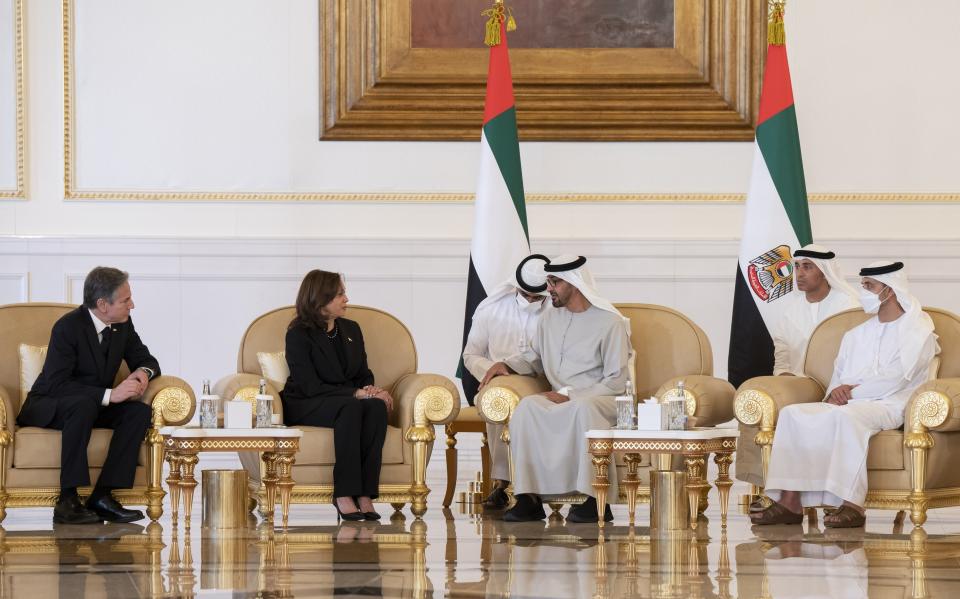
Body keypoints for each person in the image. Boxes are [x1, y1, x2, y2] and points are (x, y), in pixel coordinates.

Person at [751, 261, 939, 528]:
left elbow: (896, 378)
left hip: (891, 403)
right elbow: (840, 375)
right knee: (793, 414)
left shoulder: (918, 333)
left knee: (848, 417)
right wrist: (834, 395)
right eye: (862, 285)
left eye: (869, 286)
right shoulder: (855, 335)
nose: (862, 292)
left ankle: (853, 505)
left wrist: (850, 394)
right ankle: (789, 502)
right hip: (849, 402)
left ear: (889, 290)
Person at [491, 255, 631, 523]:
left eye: (555, 282)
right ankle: (528, 498)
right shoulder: (548, 320)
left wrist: (567, 395)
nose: (549, 289)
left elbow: (616, 381)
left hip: (604, 398)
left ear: (574, 283)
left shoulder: (609, 322)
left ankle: (594, 500)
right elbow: (535, 358)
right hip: (563, 398)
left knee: (581, 408)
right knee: (527, 408)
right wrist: (504, 365)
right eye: (548, 281)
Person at [18, 267, 157, 524]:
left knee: (139, 412)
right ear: (103, 304)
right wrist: (110, 394)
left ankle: (102, 496)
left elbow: (147, 360)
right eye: (126, 300)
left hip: (92, 405)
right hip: (51, 403)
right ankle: (67, 501)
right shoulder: (67, 328)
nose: (132, 305)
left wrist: (141, 374)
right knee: (82, 405)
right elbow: (58, 383)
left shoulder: (122, 326)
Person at [739, 244, 859, 507]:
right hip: (798, 382)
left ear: (825, 273)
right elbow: (781, 348)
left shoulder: (848, 306)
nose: (799, 273)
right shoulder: (791, 308)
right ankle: (767, 487)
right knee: (766, 404)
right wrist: (783, 377)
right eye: (796, 267)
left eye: (807, 267)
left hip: (835, 384)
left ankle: (803, 494)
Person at [280, 270, 393, 521]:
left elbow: (363, 372)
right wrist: (356, 393)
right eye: (340, 294)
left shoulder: (351, 329)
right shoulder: (298, 334)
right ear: (321, 299)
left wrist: (371, 391)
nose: (346, 299)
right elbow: (308, 385)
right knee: (351, 407)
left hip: (344, 400)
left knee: (375, 407)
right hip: (305, 401)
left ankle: (365, 494)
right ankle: (343, 493)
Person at [462, 254, 551, 509]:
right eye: (527, 295)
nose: (532, 301)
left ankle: (538, 484)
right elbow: (471, 355)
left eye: (538, 297)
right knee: (499, 399)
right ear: (516, 287)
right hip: (495, 380)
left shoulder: (557, 309)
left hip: (543, 380)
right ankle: (502, 482)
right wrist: (493, 371)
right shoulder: (492, 309)